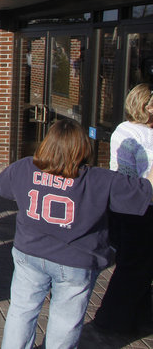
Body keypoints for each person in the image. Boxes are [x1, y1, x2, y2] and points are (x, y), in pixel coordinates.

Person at [0, 118, 153, 348]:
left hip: (28, 252)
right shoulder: (100, 180)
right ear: (82, 148)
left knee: (22, 310)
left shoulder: (24, 167)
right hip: (75, 262)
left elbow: (3, 187)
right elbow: (145, 192)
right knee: (65, 320)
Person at [93, 83, 153, 333]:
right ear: (143, 106)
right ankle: (112, 320)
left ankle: (140, 316)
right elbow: (125, 176)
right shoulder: (127, 132)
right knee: (133, 264)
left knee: (146, 266)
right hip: (136, 209)